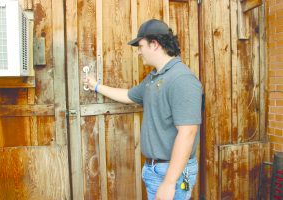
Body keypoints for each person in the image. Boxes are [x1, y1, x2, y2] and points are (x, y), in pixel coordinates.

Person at [85, 19, 202, 200]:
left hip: (171, 172)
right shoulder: (155, 77)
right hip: (155, 170)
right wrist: (95, 86)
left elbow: (188, 132)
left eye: (140, 46)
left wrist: (169, 182)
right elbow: (128, 96)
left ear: (154, 44)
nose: (138, 52)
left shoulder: (182, 79)